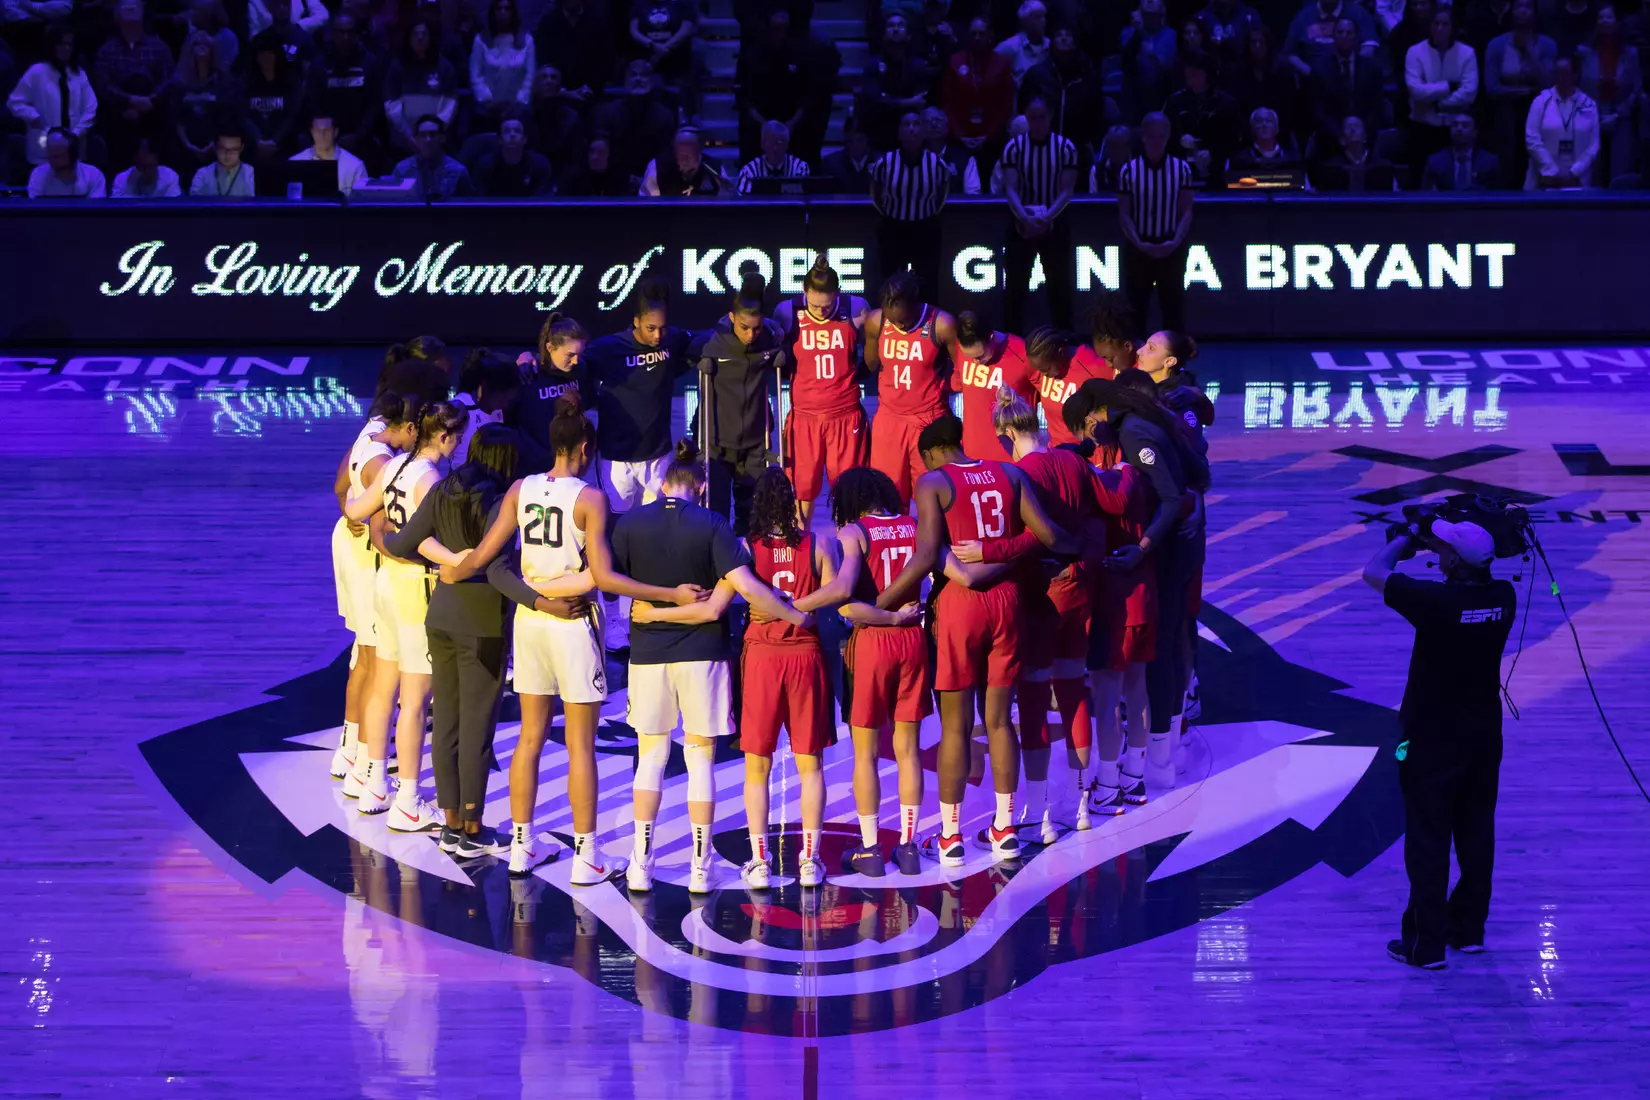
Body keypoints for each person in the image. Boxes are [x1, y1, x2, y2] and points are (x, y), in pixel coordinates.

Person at [604, 439, 811, 894]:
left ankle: (641, 862)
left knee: (651, 760)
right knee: (701, 763)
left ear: (661, 483)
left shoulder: (633, 523)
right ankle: (701, 866)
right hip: (704, 656)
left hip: (648, 656)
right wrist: (796, 614)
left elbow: (604, 576)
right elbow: (747, 588)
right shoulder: (714, 523)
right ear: (700, 485)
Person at [873, 413, 1078, 866]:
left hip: (959, 607)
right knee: (1001, 721)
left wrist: (881, 602)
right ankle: (1005, 830)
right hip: (1007, 601)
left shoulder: (932, 483)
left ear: (928, 454)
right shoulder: (1009, 473)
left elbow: (926, 556)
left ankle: (950, 837)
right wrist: (999, 552)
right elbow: (1047, 536)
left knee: (954, 728)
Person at [442, 404, 630, 882]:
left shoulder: (520, 489)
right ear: (585, 449)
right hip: (573, 623)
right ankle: (587, 856)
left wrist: (452, 571)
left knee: (529, 737)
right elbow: (602, 577)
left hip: (528, 622)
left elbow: (485, 554)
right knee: (580, 744)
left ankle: (522, 846)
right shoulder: (590, 498)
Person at [640, 469, 836, 888]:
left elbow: (710, 610)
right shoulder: (819, 545)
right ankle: (809, 861)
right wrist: (799, 606)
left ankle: (761, 862)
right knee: (810, 767)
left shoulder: (745, 549)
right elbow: (839, 593)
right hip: (805, 656)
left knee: (756, 769)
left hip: (762, 660)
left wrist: (657, 611)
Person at [383, 424, 546, 857]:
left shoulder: (443, 489)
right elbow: (496, 570)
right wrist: (539, 601)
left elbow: (401, 542)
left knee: (449, 725)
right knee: (477, 729)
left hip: (440, 617)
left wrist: (381, 531)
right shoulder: (498, 500)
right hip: (482, 623)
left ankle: (451, 821)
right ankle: (472, 829)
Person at [1363, 518, 1515, 969]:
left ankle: (1425, 946)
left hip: (1429, 739)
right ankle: (1468, 930)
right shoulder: (1503, 597)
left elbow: (1374, 571)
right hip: (1484, 737)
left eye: (1445, 546)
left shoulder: (1436, 601)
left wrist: (1409, 535)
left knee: (1428, 839)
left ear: (1451, 560)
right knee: (1476, 833)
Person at [960, 388, 1104, 839]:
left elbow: (1031, 539)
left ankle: (1039, 815)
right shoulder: (1075, 463)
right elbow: (1105, 507)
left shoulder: (1019, 474)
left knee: (1037, 701)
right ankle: (1082, 805)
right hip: (1080, 587)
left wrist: (987, 549)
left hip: (1042, 595)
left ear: (1006, 434)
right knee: (1075, 690)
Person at [1064, 378, 1205, 794]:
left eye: (1084, 425)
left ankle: (1142, 767)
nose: (1088, 437)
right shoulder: (1144, 423)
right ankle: (1154, 760)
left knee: (1146, 664)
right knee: (1160, 656)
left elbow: (1167, 495)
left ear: (1094, 412)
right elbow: (1196, 472)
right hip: (1174, 552)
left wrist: (1142, 546)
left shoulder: (1134, 432)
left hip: (1163, 555)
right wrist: (1194, 497)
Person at [343, 400, 466, 828]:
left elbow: (354, 510)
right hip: (416, 589)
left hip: (384, 583)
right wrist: (459, 559)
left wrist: (380, 531)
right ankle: (409, 800)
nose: (460, 446)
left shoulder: (393, 466)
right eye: (458, 438)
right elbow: (424, 540)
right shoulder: (430, 477)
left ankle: (374, 780)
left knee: (383, 685)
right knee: (415, 701)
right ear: (445, 436)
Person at [804, 468, 928, 876]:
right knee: (909, 749)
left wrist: (800, 604)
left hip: (874, 642)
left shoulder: (854, 533)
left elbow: (846, 599)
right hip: (913, 638)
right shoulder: (913, 525)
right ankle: (908, 848)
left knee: (866, 754)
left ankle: (872, 849)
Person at [583, 278, 694, 654]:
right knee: (616, 536)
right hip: (616, 459)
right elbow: (568, 363)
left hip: (659, 455)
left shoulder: (674, 339)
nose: (658, 335)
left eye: (663, 327)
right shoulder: (606, 349)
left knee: (653, 534)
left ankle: (640, 607)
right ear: (635, 322)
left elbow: (711, 336)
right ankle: (613, 615)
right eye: (651, 328)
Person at [1066, 396, 1156, 815]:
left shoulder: (1117, 476)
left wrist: (1076, 471)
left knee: (1106, 694)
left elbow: (1113, 500)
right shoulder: (1141, 468)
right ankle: (1134, 778)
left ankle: (1106, 785)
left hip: (1117, 600)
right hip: (1141, 592)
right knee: (1135, 687)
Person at [326, 389, 410, 787]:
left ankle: (350, 745)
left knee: (363, 652)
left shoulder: (370, 432)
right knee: (374, 660)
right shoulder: (386, 465)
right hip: (365, 556)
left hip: (348, 543)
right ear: (407, 425)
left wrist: (348, 506)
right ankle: (363, 760)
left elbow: (339, 483)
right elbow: (385, 529)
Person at [771, 257, 870, 523]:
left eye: (827, 305)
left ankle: (851, 553)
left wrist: (856, 375)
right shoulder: (786, 311)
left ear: (838, 294)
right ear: (804, 293)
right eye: (814, 304)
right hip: (805, 417)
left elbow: (871, 353)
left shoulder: (857, 308)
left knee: (849, 491)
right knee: (802, 492)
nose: (822, 311)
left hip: (845, 415)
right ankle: (803, 548)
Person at [695, 276, 788, 536]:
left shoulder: (770, 337)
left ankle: (753, 564)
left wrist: (783, 354)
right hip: (718, 442)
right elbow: (684, 352)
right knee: (717, 513)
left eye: (756, 328)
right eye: (745, 327)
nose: (751, 335)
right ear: (732, 318)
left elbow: (785, 348)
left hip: (756, 441)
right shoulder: (713, 342)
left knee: (755, 514)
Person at [863, 272, 958, 505]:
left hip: (929, 419)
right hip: (889, 419)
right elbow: (871, 364)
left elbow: (961, 371)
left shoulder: (942, 324)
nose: (898, 325)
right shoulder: (877, 321)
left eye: (903, 320)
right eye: (892, 319)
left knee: (935, 496)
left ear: (916, 305)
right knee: (887, 495)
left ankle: (936, 541)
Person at [997, 95, 1077, 333]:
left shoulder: (1065, 147)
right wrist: (1024, 217)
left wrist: (1046, 216)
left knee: (1060, 285)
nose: (1038, 122)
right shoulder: (1014, 148)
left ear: (1050, 116)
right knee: (1015, 286)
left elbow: (1066, 190)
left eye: (1042, 117)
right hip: (1020, 221)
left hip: (1055, 221)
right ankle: (1012, 341)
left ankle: (1065, 339)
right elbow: (1010, 187)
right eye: (1033, 117)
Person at [1118, 113, 1193, 333]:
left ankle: (1175, 363)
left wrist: (1174, 242)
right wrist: (1141, 244)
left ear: (1167, 137)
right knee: (1136, 309)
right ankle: (1136, 363)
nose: (1155, 142)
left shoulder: (1182, 170)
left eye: (1160, 137)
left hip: (1172, 246)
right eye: (1151, 137)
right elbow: (1124, 213)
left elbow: (1186, 210)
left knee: (1173, 308)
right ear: (1143, 137)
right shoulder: (1129, 170)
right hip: (1138, 247)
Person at [869, 111, 951, 298]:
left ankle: (929, 325)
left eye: (916, 124)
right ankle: (890, 324)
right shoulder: (884, 163)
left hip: (926, 229)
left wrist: (926, 213)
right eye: (906, 124)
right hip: (893, 228)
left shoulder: (937, 164)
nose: (912, 129)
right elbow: (876, 194)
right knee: (891, 283)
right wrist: (891, 213)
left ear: (923, 131)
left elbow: (942, 195)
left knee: (927, 284)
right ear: (899, 132)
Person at [94, 1, 175, 166]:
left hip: (154, 114)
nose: (130, 8)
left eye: (135, 5)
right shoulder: (106, 49)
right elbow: (102, 84)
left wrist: (150, 100)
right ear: (117, 16)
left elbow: (169, 80)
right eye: (125, 5)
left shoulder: (159, 47)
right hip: (118, 116)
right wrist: (129, 100)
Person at [1483, 0, 1554, 185]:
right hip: (1505, 114)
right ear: (1511, 12)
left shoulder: (1547, 45)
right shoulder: (1496, 45)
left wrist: (1529, 50)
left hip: (1539, 112)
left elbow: (1548, 84)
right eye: (1518, 7)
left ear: (1535, 12)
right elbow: (1491, 88)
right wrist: (1526, 90)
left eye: (1528, 6)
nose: (1523, 11)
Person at [508, 311, 590, 470]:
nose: (576, 361)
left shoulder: (581, 371)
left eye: (580, 355)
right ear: (550, 347)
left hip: (569, 467)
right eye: (570, 355)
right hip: (533, 468)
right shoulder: (528, 375)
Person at [950, 311, 1036, 461]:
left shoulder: (1023, 354)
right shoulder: (960, 349)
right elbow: (957, 384)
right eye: (970, 357)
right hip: (973, 456)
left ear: (991, 337)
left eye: (980, 356)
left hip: (1014, 460)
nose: (975, 362)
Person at [1018, 24, 1114, 159]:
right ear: (1051, 44)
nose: (1063, 39)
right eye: (1058, 35)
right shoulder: (1036, 75)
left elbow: (1096, 113)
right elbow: (1023, 109)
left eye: (1068, 35)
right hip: (1040, 148)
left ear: (1075, 43)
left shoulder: (1088, 77)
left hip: (1078, 149)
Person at [7, 25, 96, 168]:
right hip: (43, 147)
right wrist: (32, 116)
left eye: (69, 44)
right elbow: (14, 102)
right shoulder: (36, 72)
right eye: (61, 44)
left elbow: (91, 109)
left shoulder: (79, 74)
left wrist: (74, 135)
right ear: (52, 46)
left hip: (75, 150)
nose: (65, 48)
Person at [302, 14, 383, 167]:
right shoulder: (319, 64)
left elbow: (375, 104)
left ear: (356, 34)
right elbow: (314, 104)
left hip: (363, 140)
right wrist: (329, 134)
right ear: (333, 34)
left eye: (350, 32)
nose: (345, 37)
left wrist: (359, 135)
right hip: (327, 140)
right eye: (341, 32)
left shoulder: (370, 62)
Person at [941, 15, 1015, 177]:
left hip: (992, 138)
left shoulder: (1002, 63)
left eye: (981, 33)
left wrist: (988, 136)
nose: (977, 37)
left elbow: (1005, 104)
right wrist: (960, 135)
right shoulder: (956, 60)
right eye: (973, 33)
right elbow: (948, 101)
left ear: (990, 35)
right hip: (959, 137)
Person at [1405, 7, 1479, 166]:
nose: (1440, 28)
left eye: (1445, 24)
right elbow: (1416, 90)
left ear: (1452, 27)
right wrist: (1448, 86)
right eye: (1436, 23)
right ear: (1430, 26)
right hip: (1422, 126)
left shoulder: (1467, 53)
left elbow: (1469, 93)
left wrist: (1436, 103)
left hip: (1455, 127)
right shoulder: (1414, 52)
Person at [1163, 52, 1244, 186]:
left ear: (1207, 73)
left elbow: (1234, 139)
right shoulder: (1175, 101)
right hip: (1179, 169)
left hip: (1217, 171)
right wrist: (1179, 139)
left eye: (1196, 70)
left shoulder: (1226, 103)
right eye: (1188, 70)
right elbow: (1163, 132)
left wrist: (1213, 152)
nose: (1190, 73)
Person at [1578, 5, 1639, 181]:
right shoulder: (1584, 53)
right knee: (1591, 171)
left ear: (1617, 22)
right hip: (1590, 116)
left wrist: (1617, 115)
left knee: (1620, 170)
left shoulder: (1630, 54)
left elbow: (1636, 89)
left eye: (1609, 17)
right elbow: (1579, 88)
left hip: (1621, 116)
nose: (1605, 20)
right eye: (1601, 17)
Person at [1026, 325, 1114, 446]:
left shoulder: (1092, 366)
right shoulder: (1041, 372)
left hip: (1090, 456)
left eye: (1045, 369)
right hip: (1058, 454)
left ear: (1060, 353)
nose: (1041, 374)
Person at [858, 13, 933, 150]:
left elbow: (920, 102)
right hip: (879, 128)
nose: (896, 29)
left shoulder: (919, 65)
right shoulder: (873, 64)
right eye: (891, 26)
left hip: (909, 130)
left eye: (900, 26)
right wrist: (908, 102)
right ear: (884, 35)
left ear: (909, 35)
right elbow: (874, 101)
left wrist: (890, 100)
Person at [385, 16, 460, 153]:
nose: (420, 38)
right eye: (415, 34)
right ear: (408, 38)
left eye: (424, 34)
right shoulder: (397, 66)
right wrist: (408, 134)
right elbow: (391, 103)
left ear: (431, 38)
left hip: (435, 141)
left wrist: (432, 133)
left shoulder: (444, 66)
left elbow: (451, 103)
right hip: (404, 142)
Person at [1525, 53, 1599, 187]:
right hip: (1545, 179)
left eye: (1565, 73)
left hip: (1577, 181)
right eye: (1557, 73)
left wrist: (1574, 173)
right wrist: (1552, 172)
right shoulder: (1541, 101)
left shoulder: (1589, 105)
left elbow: (1593, 146)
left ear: (1575, 75)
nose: (1560, 78)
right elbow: (1532, 139)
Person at [170, 31, 240, 173]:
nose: (201, 47)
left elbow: (228, 116)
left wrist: (214, 144)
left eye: (206, 44)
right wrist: (188, 145)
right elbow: (177, 119)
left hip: (217, 149)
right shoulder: (180, 83)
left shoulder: (223, 81)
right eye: (197, 44)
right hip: (186, 150)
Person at [1309, 16, 1387, 142]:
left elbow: (1376, 107)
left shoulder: (1372, 68)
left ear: (1356, 37)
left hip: (1365, 137)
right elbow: (1319, 111)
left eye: (1349, 33)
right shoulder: (1319, 69)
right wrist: (1340, 136)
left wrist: (1361, 133)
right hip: (1330, 138)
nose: (1344, 36)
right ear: (1333, 36)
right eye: (1340, 32)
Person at [470, 0, 535, 123]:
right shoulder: (481, 40)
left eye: (506, 8)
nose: (502, 12)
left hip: (518, 109)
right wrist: (486, 98)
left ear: (513, 11)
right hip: (487, 109)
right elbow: (475, 74)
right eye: (498, 9)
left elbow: (530, 75)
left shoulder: (526, 39)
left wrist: (521, 100)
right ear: (493, 12)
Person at [245, 30, 303, 161]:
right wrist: (258, 140)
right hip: (254, 149)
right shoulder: (246, 82)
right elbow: (244, 115)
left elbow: (292, 116)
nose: (266, 58)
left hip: (285, 148)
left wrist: (275, 141)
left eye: (270, 53)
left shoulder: (291, 82)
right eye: (262, 54)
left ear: (277, 55)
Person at [1121, 0, 1179, 123]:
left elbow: (1167, 65)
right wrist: (1138, 32)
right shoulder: (1128, 33)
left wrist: (1151, 54)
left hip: (1162, 91)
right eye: (1146, 15)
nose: (1150, 1)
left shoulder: (1172, 35)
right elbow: (1125, 62)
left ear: (1162, 13)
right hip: (1134, 94)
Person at [1283, 0, 1377, 76]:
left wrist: (1352, 71)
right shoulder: (1303, 17)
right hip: (1314, 80)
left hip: (1350, 78)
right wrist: (1312, 74)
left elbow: (1369, 47)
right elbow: (1291, 54)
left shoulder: (1358, 13)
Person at [391, 113, 475, 197]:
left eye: (433, 134)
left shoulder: (458, 171)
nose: (428, 140)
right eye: (423, 135)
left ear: (442, 138)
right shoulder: (402, 170)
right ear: (416, 139)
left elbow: (467, 204)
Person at [475, 108, 556, 195]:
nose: (512, 135)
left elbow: (543, 203)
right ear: (500, 140)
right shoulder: (486, 165)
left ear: (525, 139)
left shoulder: (539, 165)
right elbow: (479, 201)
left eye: (517, 131)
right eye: (507, 131)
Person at [1312, 114, 1398, 190]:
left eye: (1356, 126)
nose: (1352, 129)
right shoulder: (1331, 167)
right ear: (1342, 140)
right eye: (1348, 127)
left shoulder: (1382, 166)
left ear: (1365, 137)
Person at [290, 112, 369, 193]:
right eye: (318, 130)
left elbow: (362, 201)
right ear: (312, 132)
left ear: (335, 132)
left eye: (326, 130)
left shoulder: (355, 166)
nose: (322, 134)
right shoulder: (294, 163)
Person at [1421, 113, 1503, 189]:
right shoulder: (1435, 161)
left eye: (1465, 125)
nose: (1459, 129)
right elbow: (1426, 195)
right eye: (1455, 125)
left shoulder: (1489, 161)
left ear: (1475, 132)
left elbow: (1497, 195)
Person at [640, 125, 728, 196]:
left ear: (698, 152)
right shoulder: (657, 168)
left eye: (689, 156)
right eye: (681, 156)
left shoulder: (716, 170)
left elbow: (727, 204)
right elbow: (650, 206)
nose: (685, 160)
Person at [629, 0, 696, 85]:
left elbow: (686, 29)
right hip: (648, 57)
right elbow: (634, 30)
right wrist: (652, 46)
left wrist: (665, 47)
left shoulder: (682, 3)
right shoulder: (639, 4)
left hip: (675, 54)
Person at [736, 119, 810, 194]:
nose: (775, 148)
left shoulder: (799, 167)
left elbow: (801, 198)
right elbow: (743, 201)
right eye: (770, 143)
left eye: (779, 143)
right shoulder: (748, 171)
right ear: (762, 144)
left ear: (787, 145)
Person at [1227, 105, 1304, 175]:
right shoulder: (1240, 159)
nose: (1264, 125)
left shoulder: (1291, 157)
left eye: (1269, 121)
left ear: (1277, 129)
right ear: (1252, 129)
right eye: (1259, 121)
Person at [995, 0, 1049, 88]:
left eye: (1044, 16)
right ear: (1025, 22)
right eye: (1038, 17)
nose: (1044, 21)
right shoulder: (1010, 46)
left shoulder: (1050, 45)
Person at [557, 133, 631, 195]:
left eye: (601, 152)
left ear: (610, 155)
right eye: (592, 151)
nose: (594, 157)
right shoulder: (574, 178)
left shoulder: (619, 180)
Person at [188, 127, 254, 195]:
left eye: (233, 150)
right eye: (223, 149)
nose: (227, 154)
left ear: (241, 148)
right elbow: (194, 202)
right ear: (215, 147)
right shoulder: (202, 175)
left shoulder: (251, 174)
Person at [821, 113, 875, 193]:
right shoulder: (831, 165)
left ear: (867, 139)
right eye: (850, 141)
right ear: (845, 141)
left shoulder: (883, 164)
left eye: (859, 140)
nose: (855, 145)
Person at [112, 134, 182, 195]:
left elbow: (173, 209)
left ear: (157, 160)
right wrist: (131, 188)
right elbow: (115, 208)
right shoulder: (121, 180)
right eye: (143, 167)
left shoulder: (170, 177)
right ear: (135, 162)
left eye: (151, 166)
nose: (148, 172)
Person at [248, 0, 329, 38]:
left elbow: (323, 15)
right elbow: (253, 36)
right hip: (269, 49)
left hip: (300, 45)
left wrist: (297, 27)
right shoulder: (255, 3)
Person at [1089, 123, 1134, 191]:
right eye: (1111, 146)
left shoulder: (1138, 169)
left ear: (1128, 147)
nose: (1115, 151)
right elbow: (1093, 199)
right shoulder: (1097, 170)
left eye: (1118, 146)